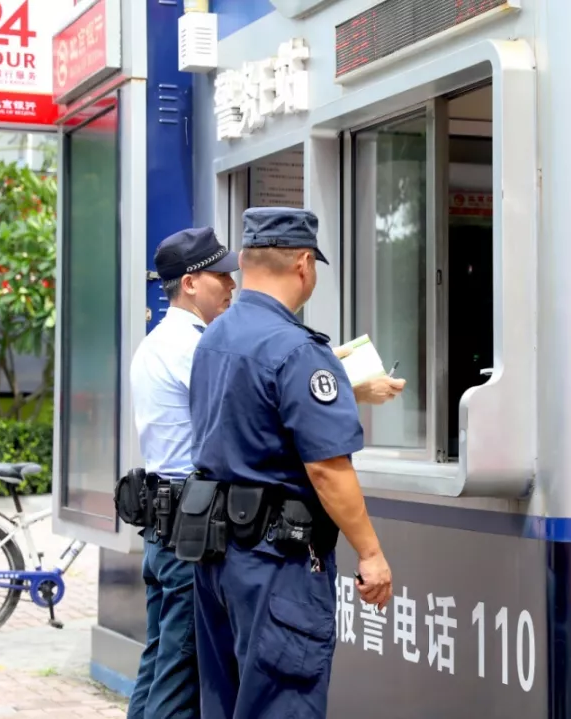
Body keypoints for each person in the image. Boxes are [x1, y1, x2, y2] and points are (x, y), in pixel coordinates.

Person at [185, 207, 397, 719]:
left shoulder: (213, 337)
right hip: (277, 565)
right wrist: (371, 553)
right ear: (304, 264)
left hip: (215, 555)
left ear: (245, 261)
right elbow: (327, 469)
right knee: (280, 705)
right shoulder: (297, 350)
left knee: (226, 703)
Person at [126, 226, 239, 719]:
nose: (231, 285)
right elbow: (242, 413)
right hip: (188, 533)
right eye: (221, 276)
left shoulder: (157, 342)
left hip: (164, 527)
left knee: (158, 662)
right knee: (180, 673)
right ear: (190, 283)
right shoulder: (192, 347)